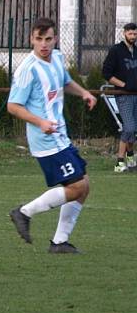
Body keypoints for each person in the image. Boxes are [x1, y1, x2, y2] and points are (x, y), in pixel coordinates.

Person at [7, 17, 97, 254]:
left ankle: (59, 243)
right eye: (39, 39)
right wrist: (40, 122)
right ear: (31, 39)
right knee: (77, 186)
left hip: (60, 135)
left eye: (48, 39)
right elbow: (13, 106)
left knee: (83, 185)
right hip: (45, 140)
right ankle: (23, 212)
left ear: (55, 39)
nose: (44, 44)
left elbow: (64, 81)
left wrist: (84, 92)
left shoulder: (57, 57)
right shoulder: (27, 69)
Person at [102, 22, 137, 173]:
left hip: (135, 94)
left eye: (135, 34)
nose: (133, 37)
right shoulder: (116, 50)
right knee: (128, 127)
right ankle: (119, 162)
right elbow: (106, 73)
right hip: (123, 95)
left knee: (133, 128)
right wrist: (123, 85)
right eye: (130, 34)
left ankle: (130, 156)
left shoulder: (136, 51)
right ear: (124, 34)